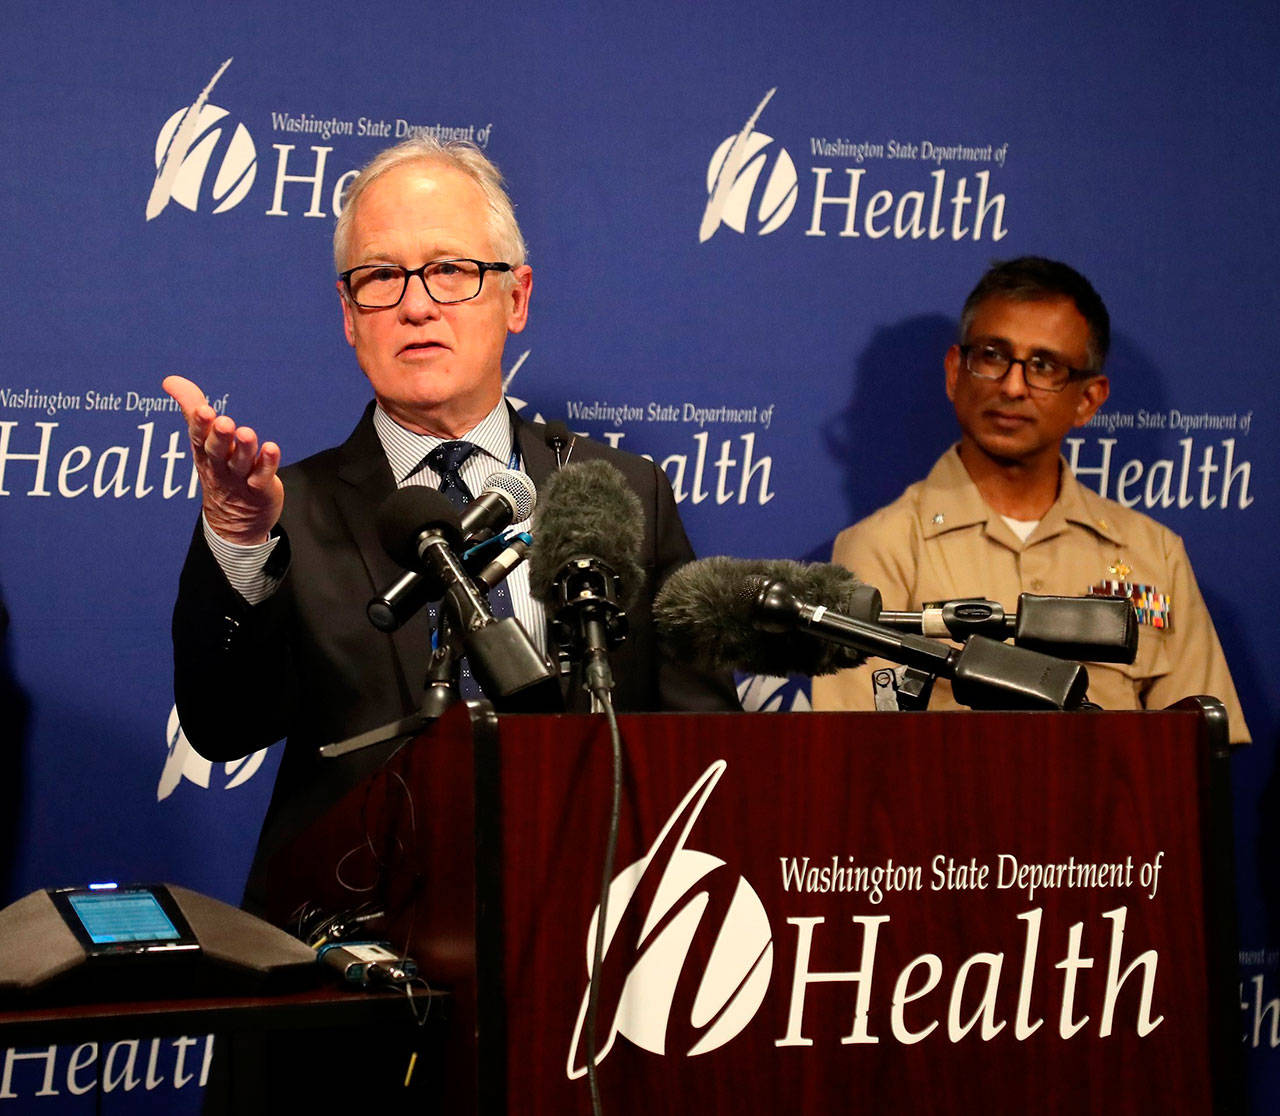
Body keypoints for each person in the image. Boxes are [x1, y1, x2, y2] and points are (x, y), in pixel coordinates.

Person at [166, 136, 738, 902]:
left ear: (517, 296)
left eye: (450, 271)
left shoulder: (623, 494)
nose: (415, 304)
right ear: (348, 316)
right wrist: (239, 540)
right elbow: (223, 726)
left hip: (587, 944)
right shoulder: (287, 510)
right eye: (380, 277)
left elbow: (707, 746)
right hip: (363, 957)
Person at [812, 257, 1250, 743]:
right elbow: (852, 758)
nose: (1013, 386)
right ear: (956, 372)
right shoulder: (879, 549)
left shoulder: (1154, 553)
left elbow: (1201, 753)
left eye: (1043, 366)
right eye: (994, 356)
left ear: (1088, 400)